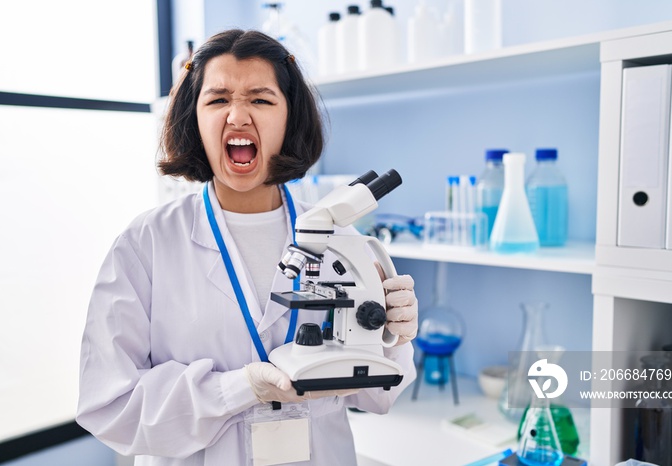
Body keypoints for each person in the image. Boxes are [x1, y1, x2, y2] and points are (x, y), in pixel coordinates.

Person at [76, 29, 418, 466]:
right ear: (194, 120)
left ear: (289, 118)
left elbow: (377, 396)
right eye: (217, 100)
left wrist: (392, 336)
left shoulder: (339, 238)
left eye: (261, 99)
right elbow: (109, 403)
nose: (237, 116)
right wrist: (237, 389)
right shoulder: (146, 243)